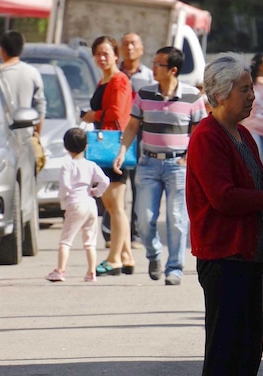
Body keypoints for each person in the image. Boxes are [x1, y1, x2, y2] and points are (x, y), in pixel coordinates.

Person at [187, 54, 263, 376]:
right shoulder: (207, 136)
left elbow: (256, 182)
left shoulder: (240, 133)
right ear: (221, 94)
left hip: (248, 254)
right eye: (244, 89)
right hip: (222, 254)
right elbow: (222, 197)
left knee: (248, 348)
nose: (251, 96)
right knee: (225, 348)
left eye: (251, 88)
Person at [115, 46, 208, 285]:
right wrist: (122, 152)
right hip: (147, 165)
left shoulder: (193, 97)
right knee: (144, 218)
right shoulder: (144, 94)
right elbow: (133, 127)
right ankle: (154, 253)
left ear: (173, 70)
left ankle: (174, 268)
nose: (154, 68)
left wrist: (188, 160)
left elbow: (199, 135)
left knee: (177, 218)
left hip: (178, 166)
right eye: (154, 63)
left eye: (159, 64)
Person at [81, 35, 135, 276]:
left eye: (106, 53)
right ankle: (126, 256)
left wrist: (92, 115)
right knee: (112, 204)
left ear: (116, 55)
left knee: (115, 204)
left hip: (115, 148)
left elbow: (115, 113)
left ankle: (114, 258)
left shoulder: (119, 80)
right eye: (98, 54)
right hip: (106, 147)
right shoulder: (104, 80)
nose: (102, 58)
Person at [46, 128, 110, 283]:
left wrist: (63, 200)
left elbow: (65, 187)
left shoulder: (67, 166)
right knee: (90, 242)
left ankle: (60, 270)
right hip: (90, 203)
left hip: (75, 203)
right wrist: (96, 192)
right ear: (86, 146)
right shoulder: (91, 165)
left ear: (66, 147)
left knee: (66, 240)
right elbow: (105, 181)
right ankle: (91, 272)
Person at [117, 31, 154, 249]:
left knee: (138, 185)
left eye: (133, 43)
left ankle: (134, 232)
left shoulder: (149, 77)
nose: (129, 47)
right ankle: (112, 231)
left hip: (141, 134)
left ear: (141, 49)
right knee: (115, 183)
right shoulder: (114, 73)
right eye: (125, 43)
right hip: (117, 134)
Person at [0, 30, 47, 172]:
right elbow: (40, 106)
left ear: (2, 50)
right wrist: (37, 134)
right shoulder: (32, 73)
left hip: (1, 138)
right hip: (26, 137)